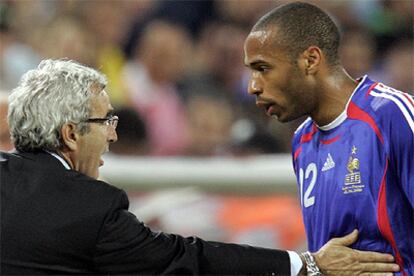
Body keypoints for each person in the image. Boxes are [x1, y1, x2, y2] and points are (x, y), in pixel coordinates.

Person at [1, 59, 399, 275]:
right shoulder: (92, 210)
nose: (113, 136)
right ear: (70, 133)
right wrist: (308, 263)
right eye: (105, 122)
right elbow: (186, 259)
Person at [244, 2, 413, 275]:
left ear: (310, 60)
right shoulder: (302, 142)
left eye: (262, 68)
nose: (253, 86)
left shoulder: (391, 114)